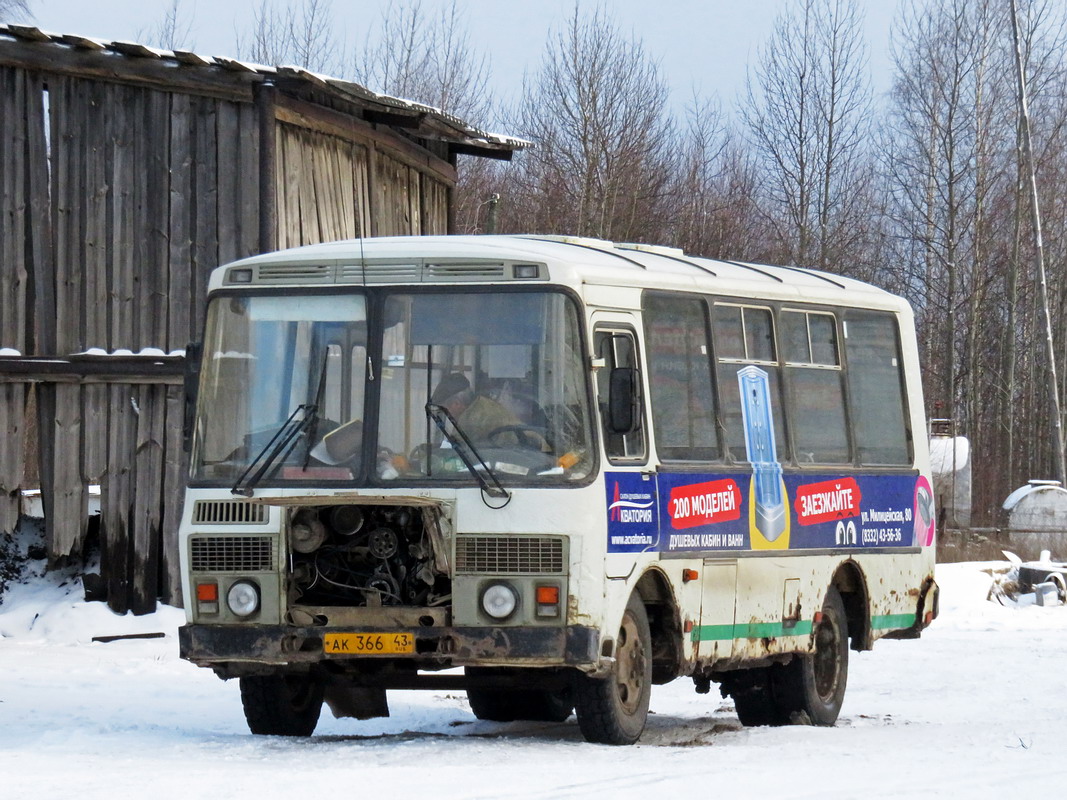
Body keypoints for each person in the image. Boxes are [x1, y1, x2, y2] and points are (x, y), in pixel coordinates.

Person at [431, 373, 543, 448]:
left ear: (456, 404)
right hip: (531, 449)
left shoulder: (470, 419)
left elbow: (456, 449)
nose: (446, 414)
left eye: (445, 409)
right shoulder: (482, 405)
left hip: (530, 454)